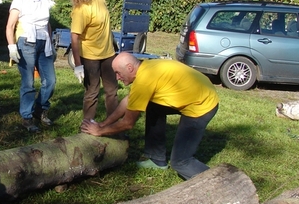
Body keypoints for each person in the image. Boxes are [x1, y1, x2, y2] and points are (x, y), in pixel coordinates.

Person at [81, 52, 219, 180]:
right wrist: (103, 124)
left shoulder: (144, 80)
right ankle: (156, 159)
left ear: (129, 68)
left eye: (118, 73)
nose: (117, 77)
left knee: (181, 162)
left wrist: (99, 131)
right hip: (198, 93)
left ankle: (218, 182)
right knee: (152, 106)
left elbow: (128, 123)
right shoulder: (145, 68)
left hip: (202, 105)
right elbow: (129, 101)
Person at [6, 0, 56, 132]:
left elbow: (47, 23)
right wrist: (12, 46)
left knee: (51, 81)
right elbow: (10, 25)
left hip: (44, 42)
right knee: (28, 82)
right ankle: (26, 117)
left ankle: (40, 109)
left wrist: (51, 43)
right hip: (26, 42)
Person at [68, 0, 118, 120]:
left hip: (108, 53)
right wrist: (78, 65)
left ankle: (113, 124)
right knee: (92, 92)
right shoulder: (81, 9)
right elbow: (74, 37)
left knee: (112, 91)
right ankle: (87, 126)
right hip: (90, 56)